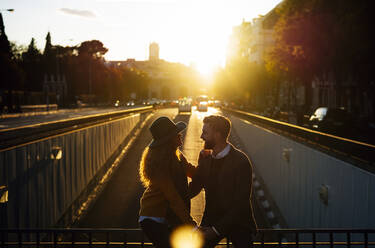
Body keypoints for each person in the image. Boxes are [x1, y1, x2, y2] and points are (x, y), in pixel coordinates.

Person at [189, 115, 257, 248]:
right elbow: (194, 188)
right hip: (210, 221)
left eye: (205, 132)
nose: (201, 136)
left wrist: (215, 230)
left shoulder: (241, 161)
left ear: (218, 135)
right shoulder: (205, 159)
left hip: (238, 223)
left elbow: (241, 203)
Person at [139, 116, 197, 248]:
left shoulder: (177, 156)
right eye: (177, 134)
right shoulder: (159, 165)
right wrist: (191, 224)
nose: (180, 135)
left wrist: (207, 161)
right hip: (152, 218)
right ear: (169, 140)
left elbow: (193, 172)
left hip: (167, 217)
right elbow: (173, 198)